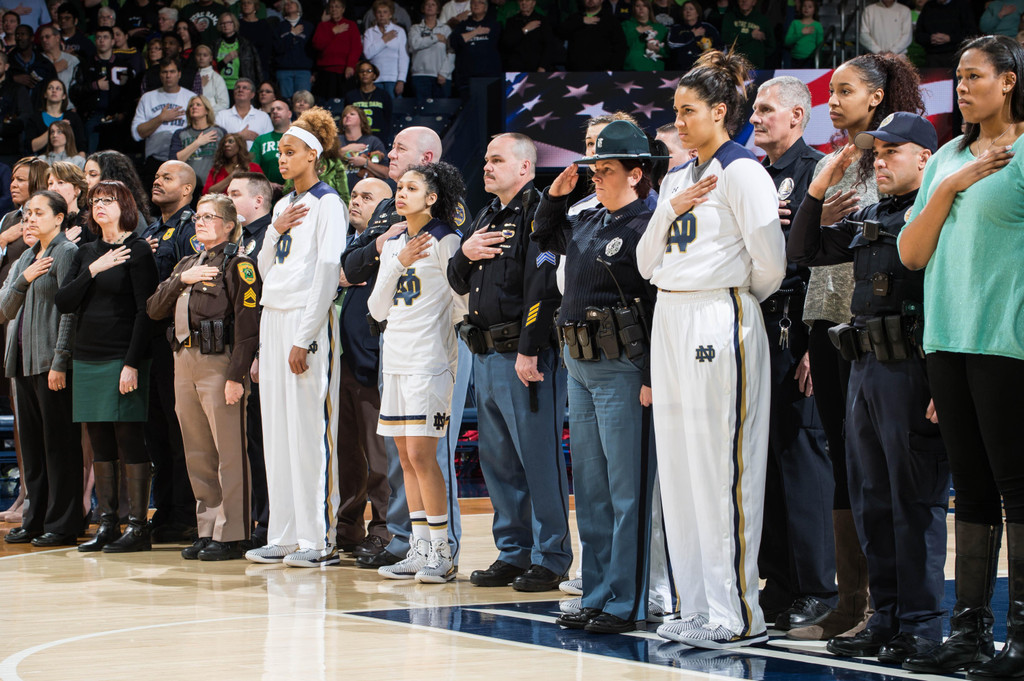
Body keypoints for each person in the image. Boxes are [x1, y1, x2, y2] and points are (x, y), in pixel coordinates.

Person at [636, 50, 787, 649]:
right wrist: (666, 210)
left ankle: (740, 611)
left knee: (723, 468)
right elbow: (648, 264)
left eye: (689, 111)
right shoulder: (674, 180)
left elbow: (770, 262)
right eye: (676, 111)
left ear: (722, 111)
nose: (680, 120)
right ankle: (695, 606)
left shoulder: (745, 171)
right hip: (669, 313)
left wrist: (729, 301)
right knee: (678, 470)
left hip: (720, 311)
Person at [787, 112, 946, 665]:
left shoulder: (939, 214)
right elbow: (802, 250)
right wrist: (817, 185)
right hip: (864, 368)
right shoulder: (872, 213)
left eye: (892, 153)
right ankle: (885, 617)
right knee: (871, 501)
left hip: (914, 371)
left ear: (925, 158)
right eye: (876, 154)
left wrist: (942, 383)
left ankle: (922, 626)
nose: (879, 162)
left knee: (915, 503)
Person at [896, 34, 1024, 678]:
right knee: (969, 493)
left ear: (1009, 81)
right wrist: (950, 188)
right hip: (948, 340)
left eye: (975, 76)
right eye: (961, 77)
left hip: (1010, 343)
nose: (963, 86)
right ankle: (969, 632)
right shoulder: (947, 156)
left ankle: (1022, 637)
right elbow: (912, 255)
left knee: (1016, 490)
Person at [532, 120, 660, 634]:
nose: (596, 178)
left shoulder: (648, 223)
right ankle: (598, 591)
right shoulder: (587, 219)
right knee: (591, 488)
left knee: (626, 488)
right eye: (593, 171)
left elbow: (656, 306)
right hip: (580, 366)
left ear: (636, 173)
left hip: (622, 367)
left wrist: (652, 374)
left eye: (605, 171)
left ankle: (626, 602)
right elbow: (542, 236)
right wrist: (555, 197)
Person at [341, 125, 469, 571]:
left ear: (432, 197)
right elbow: (376, 307)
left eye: (412, 188)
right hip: (394, 361)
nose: (401, 193)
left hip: (430, 363)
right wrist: (397, 261)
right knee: (403, 457)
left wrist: (451, 364)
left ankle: (441, 550)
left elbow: (461, 306)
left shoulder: (446, 240)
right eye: (400, 187)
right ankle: (418, 545)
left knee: (422, 455)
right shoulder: (394, 242)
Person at [447, 133, 571, 592]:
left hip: (526, 355)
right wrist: (464, 251)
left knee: (537, 459)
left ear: (524, 167)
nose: (486, 166)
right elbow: (457, 282)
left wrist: (530, 348)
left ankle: (551, 555)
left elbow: (543, 287)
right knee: (498, 462)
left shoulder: (542, 212)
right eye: (485, 158)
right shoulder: (486, 215)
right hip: (486, 353)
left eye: (496, 159)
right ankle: (513, 551)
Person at [748, 75, 835, 632]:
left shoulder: (818, 171)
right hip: (756, 332)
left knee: (802, 462)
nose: (754, 118)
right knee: (767, 464)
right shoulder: (753, 174)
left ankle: (818, 589)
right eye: (754, 109)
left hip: (796, 333)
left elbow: (825, 264)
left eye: (765, 110)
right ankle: (777, 584)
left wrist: (812, 345)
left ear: (798, 118)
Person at [244, 107, 348, 568]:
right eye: (280, 152)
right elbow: (264, 272)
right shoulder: (283, 206)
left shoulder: (329, 203)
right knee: (276, 434)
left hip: (307, 323)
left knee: (308, 434)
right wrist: (273, 231)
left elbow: (327, 273)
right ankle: (284, 533)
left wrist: (303, 338)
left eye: (290, 152)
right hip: (273, 318)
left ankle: (318, 538)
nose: (281, 159)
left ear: (314, 154)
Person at [146, 193, 261, 562]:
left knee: (228, 452)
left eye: (210, 217)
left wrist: (236, 375)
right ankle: (208, 528)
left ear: (229, 225)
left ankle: (234, 532)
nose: (200, 221)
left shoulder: (239, 265)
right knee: (197, 452)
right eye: (198, 216)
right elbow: (154, 309)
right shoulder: (187, 263)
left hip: (218, 363)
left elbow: (247, 327)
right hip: (183, 359)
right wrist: (182, 278)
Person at [54, 180, 159, 553]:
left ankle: (138, 525)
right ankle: (108, 522)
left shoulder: (138, 250)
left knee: (128, 438)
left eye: (108, 200)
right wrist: (93, 269)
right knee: (99, 441)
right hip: (87, 356)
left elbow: (144, 314)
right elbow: (64, 301)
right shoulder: (86, 252)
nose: (100, 205)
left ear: (124, 206)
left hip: (122, 357)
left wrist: (131, 364)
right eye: (95, 200)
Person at [0, 190, 81, 547]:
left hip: (50, 362)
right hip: (21, 362)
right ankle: (35, 519)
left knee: (58, 445)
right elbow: (4, 308)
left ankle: (62, 523)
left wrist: (61, 360)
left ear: (59, 218)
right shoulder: (25, 259)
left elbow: (69, 311)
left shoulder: (66, 252)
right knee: (32, 448)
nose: (29, 219)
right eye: (26, 214)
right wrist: (25, 277)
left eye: (37, 213)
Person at [139, 160, 202, 543]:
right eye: (157, 176)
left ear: (187, 189)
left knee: (181, 432)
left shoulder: (190, 228)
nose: (157, 182)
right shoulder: (151, 228)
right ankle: (163, 509)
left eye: (167, 178)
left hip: (175, 341)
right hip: (149, 340)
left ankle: (185, 512)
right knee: (157, 432)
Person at [335, 177, 393, 556]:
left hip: (373, 361)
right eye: (354, 195)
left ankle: (385, 529)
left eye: (366, 197)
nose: (356, 201)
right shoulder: (346, 242)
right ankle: (348, 526)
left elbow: (349, 276)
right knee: (348, 454)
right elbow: (339, 276)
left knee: (378, 455)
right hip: (341, 361)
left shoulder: (391, 244)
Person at [226, 171, 274, 544]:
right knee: (250, 442)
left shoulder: (270, 236)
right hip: (237, 353)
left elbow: (260, 303)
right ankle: (258, 517)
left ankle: (269, 521)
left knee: (263, 441)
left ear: (258, 200)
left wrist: (257, 353)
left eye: (235, 193)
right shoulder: (239, 241)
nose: (229, 198)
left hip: (262, 353)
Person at [131, 58, 196, 186]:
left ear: (179, 74)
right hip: (155, 160)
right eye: (164, 72)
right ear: (160, 75)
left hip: (184, 159)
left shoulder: (191, 97)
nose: (168, 76)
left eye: (172, 72)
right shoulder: (148, 98)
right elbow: (137, 134)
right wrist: (161, 118)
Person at [83, 150, 152, 232]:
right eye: (85, 174)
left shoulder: (133, 218)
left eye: (93, 175)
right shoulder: (90, 212)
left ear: (111, 178)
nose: (86, 180)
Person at [170, 94, 227, 187]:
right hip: (187, 186)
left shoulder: (219, 132)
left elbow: (227, 159)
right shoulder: (180, 133)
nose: (194, 107)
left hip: (213, 185)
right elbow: (174, 162)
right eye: (191, 105)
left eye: (198, 105)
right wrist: (197, 143)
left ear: (207, 111)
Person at [312, 0, 362, 100]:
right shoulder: (323, 26)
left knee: (346, 101)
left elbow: (356, 48)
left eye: (337, 7)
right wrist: (333, 31)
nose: (334, 9)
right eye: (332, 7)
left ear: (343, 9)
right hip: (326, 72)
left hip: (344, 71)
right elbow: (317, 45)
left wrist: (350, 65)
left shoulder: (351, 25)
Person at [450, 0, 502, 95]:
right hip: (466, 77)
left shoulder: (494, 25)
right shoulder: (463, 25)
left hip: (488, 76)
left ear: (486, 8)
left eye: (480, 2)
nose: (476, 4)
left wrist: (466, 37)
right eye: (473, 2)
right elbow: (454, 42)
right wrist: (475, 32)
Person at [24, 78, 85, 158]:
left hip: (69, 163)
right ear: (45, 94)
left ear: (64, 96)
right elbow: (32, 147)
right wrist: (54, 129)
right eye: (50, 88)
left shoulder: (72, 117)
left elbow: (82, 146)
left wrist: (79, 165)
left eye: (58, 88)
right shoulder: (35, 118)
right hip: (42, 163)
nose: (54, 91)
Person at [558, 0, 627, 71]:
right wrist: (581, 21)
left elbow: (620, 47)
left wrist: (612, 69)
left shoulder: (610, 20)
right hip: (576, 72)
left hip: (602, 73)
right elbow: (560, 33)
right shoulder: (574, 17)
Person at [409, 0, 455, 104]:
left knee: (441, 112)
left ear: (438, 10)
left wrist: (444, 73)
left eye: (433, 4)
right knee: (421, 111)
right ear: (423, 8)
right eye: (427, 4)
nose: (430, 7)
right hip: (420, 75)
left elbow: (451, 52)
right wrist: (436, 37)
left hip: (441, 76)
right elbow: (415, 44)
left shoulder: (446, 29)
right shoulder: (415, 28)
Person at [363, 0, 408, 98]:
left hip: (393, 79)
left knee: (394, 110)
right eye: (379, 12)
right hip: (375, 79)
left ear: (390, 14)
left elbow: (403, 57)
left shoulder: (399, 31)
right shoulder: (370, 32)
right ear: (375, 14)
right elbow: (368, 54)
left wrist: (401, 80)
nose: (382, 15)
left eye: (385, 12)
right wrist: (384, 40)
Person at [272, 0, 315, 100]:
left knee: (303, 102)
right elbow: (277, 48)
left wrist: (314, 72)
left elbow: (313, 50)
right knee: (285, 101)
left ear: (298, 7)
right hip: (284, 70)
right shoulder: (279, 27)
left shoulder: (308, 26)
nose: (289, 4)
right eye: (286, 4)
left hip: (303, 71)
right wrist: (292, 34)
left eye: (292, 2)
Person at [339, 105, 388, 192]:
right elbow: (324, 159)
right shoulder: (336, 141)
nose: (347, 116)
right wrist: (345, 149)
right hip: (338, 191)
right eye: (345, 115)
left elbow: (386, 173)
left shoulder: (373, 141)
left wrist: (365, 163)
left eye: (352, 114)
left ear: (361, 120)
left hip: (364, 193)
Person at [214, 79, 272, 152]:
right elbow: (215, 141)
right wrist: (239, 136)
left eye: (245, 88)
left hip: (255, 161)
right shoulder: (222, 115)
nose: (240, 90)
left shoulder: (263, 117)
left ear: (252, 94)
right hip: (228, 161)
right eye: (237, 87)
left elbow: (269, 144)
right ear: (234, 92)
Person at [210, 12, 263, 92]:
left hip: (240, 87)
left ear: (234, 24)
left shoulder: (245, 44)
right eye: (223, 23)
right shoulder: (215, 45)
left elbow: (256, 66)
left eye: (229, 22)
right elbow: (210, 68)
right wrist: (225, 61)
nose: (225, 25)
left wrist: (259, 86)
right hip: (219, 86)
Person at [914, 0, 974, 69]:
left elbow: (971, 34)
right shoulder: (928, 7)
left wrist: (950, 38)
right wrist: (930, 38)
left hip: (957, 56)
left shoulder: (962, 5)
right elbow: (918, 35)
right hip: (932, 57)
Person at [344, 61, 393, 143]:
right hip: (356, 138)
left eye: (369, 71)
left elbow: (388, 118)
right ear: (358, 75)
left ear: (374, 75)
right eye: (362, 71)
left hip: (379, 137)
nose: (365, 74)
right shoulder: (351, 96)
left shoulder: (383, 95)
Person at [666, 0, 722, 71]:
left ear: (697, 13)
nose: (688, 11)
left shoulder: (707, 28)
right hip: (680, 69)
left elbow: (720, 47)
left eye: (691, 9)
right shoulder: (676, 28)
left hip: (703, 69)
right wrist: (693, 34)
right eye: (685, 9)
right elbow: (672, 43)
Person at [8, 24, 58, 100]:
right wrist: (13, 79)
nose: (20, 38)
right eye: (17, 35)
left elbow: (54, 87)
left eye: (23, 34)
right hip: (13, 109)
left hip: (38, 109)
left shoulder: (44, 64)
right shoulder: (7, 62)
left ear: (32, 38)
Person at [721, 0, 775, 69]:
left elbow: (771, 45)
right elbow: (726, 38)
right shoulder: (730, 17)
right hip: (734, 66)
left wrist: (759, 55)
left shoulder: (762, 20)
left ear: (754, 2)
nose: (744, 1)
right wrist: (750, 35)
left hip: (756, 67)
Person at [251, 100, 292, 187]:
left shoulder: (299, 139)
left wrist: (291, 186)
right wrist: (267, 184)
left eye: (279, 109)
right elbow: (252, 167)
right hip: (266, 192)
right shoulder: (261, 140)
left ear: (289, 114)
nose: (275, 111)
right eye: (272, 110)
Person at [0, 51, 31, 158]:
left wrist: (3, 128)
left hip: (10, 150)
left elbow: (25, 116)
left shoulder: (17, 89)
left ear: (6, 66)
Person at [37, 24, 79, 102]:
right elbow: (35, 81)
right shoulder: (37, 59)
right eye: (41, 38)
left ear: (57, 38)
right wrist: (54, 69)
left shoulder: (72, 60)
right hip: (45, 105)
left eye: (47, 37)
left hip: (68, 106)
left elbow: (78, 86)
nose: (44, 40)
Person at [623, 0, 667, 70]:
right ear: (633, 8)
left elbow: (669, 52)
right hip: (633, 70)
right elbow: (620, 45)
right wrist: (636, 31)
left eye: (644, 6)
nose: (641, 8)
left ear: (649, 8)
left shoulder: (660, 28)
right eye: (638, 6)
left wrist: (658, 49)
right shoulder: (626, 25)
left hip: (655, 70)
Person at [784, 0, 823, 67]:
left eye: (810, 7)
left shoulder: (817, 25)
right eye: (804, 6)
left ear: (814, 9)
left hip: (810, 60)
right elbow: (787, 41)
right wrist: (801, 33)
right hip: (795, 59)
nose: (806, 8)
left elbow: (820, 45)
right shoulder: (795, 23)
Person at [193, 45, 229, 115]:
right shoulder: (190, 76)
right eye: (199, 55)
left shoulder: (216, 78)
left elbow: (224, 103)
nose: (201, 58)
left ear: (210, 58)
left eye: (205, 55)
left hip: (211, 117)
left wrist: (207, 111)